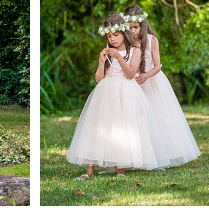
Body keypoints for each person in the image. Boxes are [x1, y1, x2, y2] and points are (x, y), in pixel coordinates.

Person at [66, 12, 172, 180]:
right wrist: (101, 62)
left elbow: (130, 74)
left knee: (122, 127)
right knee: (98, 126)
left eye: (116, 35)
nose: (113, 39)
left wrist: (119, 58)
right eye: (109, 35)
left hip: (125, 91)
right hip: (106, 91)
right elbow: (99, 79)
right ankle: (89, 170)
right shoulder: (107, 52)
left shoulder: (135, 50)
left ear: (124, 33)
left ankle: (120, 169)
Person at [123, 5, 201, 167]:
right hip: (134, 82)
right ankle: (136, 155)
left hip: (152, 81)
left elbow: (158, 65)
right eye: (129, 28)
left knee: (157, 117)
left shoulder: (152, 40)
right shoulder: (127, 41)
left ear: (142, 24)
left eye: (135, 27)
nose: (133, 31)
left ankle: (161, 154)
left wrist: (147, 75)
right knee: (137, 118)